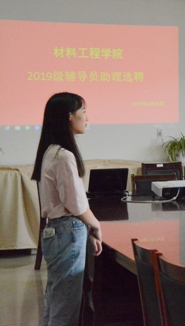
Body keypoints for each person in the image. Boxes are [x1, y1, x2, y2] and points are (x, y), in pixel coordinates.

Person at [31, 92, 103, 326]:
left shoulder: (49, 151)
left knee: (55, 304)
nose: (87, 118)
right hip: (67, 231)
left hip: (55, 232)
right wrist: (95, 225)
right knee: (65, 310)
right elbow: (76, 203)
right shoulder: (63, 156)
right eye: (83, 111)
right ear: (69, 116)